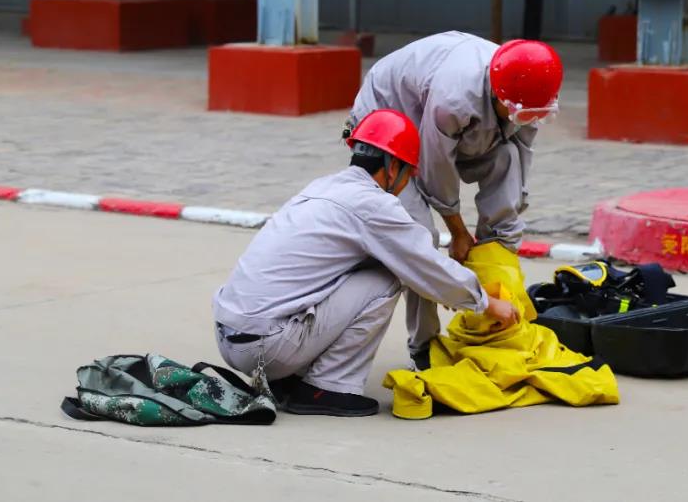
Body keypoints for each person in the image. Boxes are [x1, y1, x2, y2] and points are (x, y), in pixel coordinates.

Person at [212, 109, 518, 417]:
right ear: (392, 166)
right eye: (409, 173)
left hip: (231, 337)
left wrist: (449, 290)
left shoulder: (323, 186)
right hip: (265, 348)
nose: (408, 182)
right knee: (387, 277)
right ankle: (326, 387)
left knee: (362, 267)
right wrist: (485, 302)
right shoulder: (373, 204)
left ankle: (290, 375)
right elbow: (424, 264)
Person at [345, 32, 563, 369]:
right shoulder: (454, 100)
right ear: (500, 95)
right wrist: (458, 234)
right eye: (524, 115)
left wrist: (507, 223)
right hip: (388, 121)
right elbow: (435, 171)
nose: (530, 121)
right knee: (420, 238)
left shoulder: (529, 92)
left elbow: (521, 155)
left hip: (445, 118)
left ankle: (495, 320)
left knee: (506, 161)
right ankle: (423, 346)